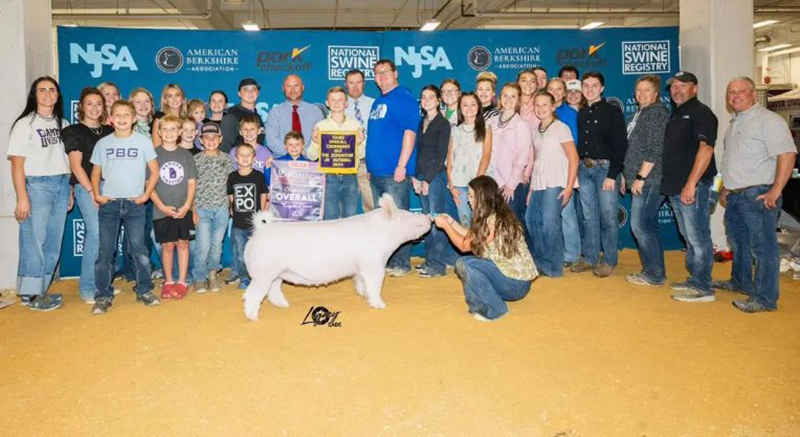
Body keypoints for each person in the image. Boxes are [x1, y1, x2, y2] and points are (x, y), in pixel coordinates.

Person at [719, 77, 797, 312]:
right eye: (731, 91)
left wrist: (776, 190)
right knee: (738, 243)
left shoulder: (768, 121)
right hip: (735, 195)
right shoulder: (735, 124)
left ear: (753, 94)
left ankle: (764, 299)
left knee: (763, 249)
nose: (735, 95)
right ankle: (740, 282)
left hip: (758, 195)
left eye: (741, 91)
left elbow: (787, 154)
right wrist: (725, 187)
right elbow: (732, 161)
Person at [90, 100, 160, 315]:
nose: (121, 118)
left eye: (126, 115)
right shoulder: (103, 143)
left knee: (139, 250)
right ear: (110, 119)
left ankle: (145, 290)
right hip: (110, 205)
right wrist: (97, 194)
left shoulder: (143, 142)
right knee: (105, 252)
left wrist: (145, 196)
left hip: (134, 205)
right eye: (117, 115)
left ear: (133, 118)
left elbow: (154, 172)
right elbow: (95, 172)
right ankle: (103, 295)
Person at [434, 176, 538, 321]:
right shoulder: (496, 215)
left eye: (471, 196)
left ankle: (496, 309)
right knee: (468, 263)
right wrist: (451, 222)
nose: (468, 199)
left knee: (465, 263)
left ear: (481, 198)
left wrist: (445, 226)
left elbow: (464, 246)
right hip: (513, 280)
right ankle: (479, 306)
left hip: (515, 285)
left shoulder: (493, 222)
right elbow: (471, 235)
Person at [7, 76, 71, 311]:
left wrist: (70, 189)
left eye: (51, 90)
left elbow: (67, 160)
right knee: (33, 240)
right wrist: (22, 196)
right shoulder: (25, 124)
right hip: (36, 186)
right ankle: (30, 294)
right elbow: (16, 164)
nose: (47, 94)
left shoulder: (62, 124)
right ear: (35, 95)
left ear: (57, 95)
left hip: (61, 183)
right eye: (42, 90)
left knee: (53, 241)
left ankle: (41, 289)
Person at [660, 71, 718, 302]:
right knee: (688, 235)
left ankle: (704, 287)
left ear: (695, 88)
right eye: (674, 86)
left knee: (698, 237)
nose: (677, 89)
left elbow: (706, 149)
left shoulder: (701, 113)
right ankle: (696, 279)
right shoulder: (677, 114)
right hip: (676, 186)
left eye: (683, 85)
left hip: (693, 187)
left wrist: (691, 184)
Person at [366, 59, 421, 277]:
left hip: (394, 172)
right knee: (385, 221)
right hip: (377, 173)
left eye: (386, 72)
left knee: (399, 219)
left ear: (395, 73)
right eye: (377, 73)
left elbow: (410, 133)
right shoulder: (378, 101)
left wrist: (402, 165)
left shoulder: (404, 98)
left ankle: (402, 262)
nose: (381, 76)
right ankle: (390, 259)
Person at [571, 72, 628, 278]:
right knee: (588, 216)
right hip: (584, 169)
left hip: (606, 169)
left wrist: (613, 175)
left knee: (608, 217)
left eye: (594, 85)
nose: (589, 89)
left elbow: (621, 145)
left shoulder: (612, 111)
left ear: (602, 88)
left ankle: (610, 260)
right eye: (586, 85)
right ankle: (590, 257)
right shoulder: (582, 113)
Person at [63, 86, 114, 304]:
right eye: (90, 104)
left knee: (108, 238)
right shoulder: (73, 131)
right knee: (95, 235)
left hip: (110, 187)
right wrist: (93, 191)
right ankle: (87, 286)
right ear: (81, 107)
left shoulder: (109, 132)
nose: (94, 108)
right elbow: (76, 166)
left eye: (99, 104)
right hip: (87, 188)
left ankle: (103, 284)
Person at [622, 75, 670, 286]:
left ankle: (654, 275)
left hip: (650, 179)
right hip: (638, 177)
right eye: (639, 90)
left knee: (640, 226)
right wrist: (627, 175)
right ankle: (654, 270)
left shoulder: (656, 114)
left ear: (656, 93)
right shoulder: (640, 113)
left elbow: (655, 148)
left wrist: (641, 177)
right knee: (648, 226)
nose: (641, 94)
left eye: (646, 90)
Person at [524, 91, 578, 278]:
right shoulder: (535, 130)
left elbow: (573, 157)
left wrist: (569, 187)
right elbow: (537, 160)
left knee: (549, 222)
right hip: (539, 182)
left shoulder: (561, 128)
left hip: (557, 181)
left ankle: (554, 267)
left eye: (545, 104)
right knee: (531, 220)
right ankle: (540, 261)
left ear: (553, 106)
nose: (540, 108)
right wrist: (531, 188)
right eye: (537, 105)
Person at [150, 115, 197, 300]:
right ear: (159, 132)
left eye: (173, 129)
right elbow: (149, 185)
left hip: (183, 209)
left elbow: (192, 183)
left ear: (179, 132)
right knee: (167, 246)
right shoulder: (153, 155)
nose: (169, 133)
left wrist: (187, 206)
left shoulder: (185, 155)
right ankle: (168, 281)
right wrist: (162, 206)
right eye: (165, 129)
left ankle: (182, 281)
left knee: (183, 244)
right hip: (162, 210)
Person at [413, 85, 455, 278]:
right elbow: (418, 152)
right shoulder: (421, 123)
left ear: (438, 100)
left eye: (431, 97)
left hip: (436, 176)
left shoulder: (443, 124)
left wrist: (428, 180)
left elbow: (441, 155)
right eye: (423, 97)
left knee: (437, 220)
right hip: (421, 176)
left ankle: (438, 264)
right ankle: (430, 260)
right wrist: (415, 176)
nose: (426, 100)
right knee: (427, 220)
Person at [308, 86, 365, 220]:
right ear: (327, 103)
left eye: (340, 100)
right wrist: (316, 142)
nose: (336, 103)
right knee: (330, 218)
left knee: (350, 217)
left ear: (346, 103)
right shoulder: (320, 126)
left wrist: (359, 142)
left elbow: (362, 155)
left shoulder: (355, 125)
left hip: (350, 176)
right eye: (333, 100)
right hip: (329, 177)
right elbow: (311, 156)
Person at [192, 122, 235, 293]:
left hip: (222, 208)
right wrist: (193, 209)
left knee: (217, 244)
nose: (210, 140)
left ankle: (212, 275)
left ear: (220, 139)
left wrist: (231, 205)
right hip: (201, 208)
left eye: (214, 137)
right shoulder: (195, 160)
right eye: (206, 138)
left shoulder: (226, 159)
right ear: (200, 140)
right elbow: (191, 187)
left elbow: (230, 185)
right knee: (203, 245)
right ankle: (199, 278)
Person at [546, 78, 581, 266]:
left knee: (567, 212)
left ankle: (573, 253)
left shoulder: (570, 113)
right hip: (548, 169)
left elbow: (573, 145)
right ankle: (558, 250)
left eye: (559, 89)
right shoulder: (545, 111)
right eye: (551, 89)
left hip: (565, 167)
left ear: (564, 92)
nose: (555, 92)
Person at [487, 82, 531, 228]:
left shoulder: (521, 124)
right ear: (500, 98)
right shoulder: (492, 122)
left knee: (513, 224)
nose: (509, 99)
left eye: (513, 96)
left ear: (518, 100)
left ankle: (524, 251)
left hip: (510, 184)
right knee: (496, 225)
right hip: (493, 182)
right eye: (505, 95)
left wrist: (511, 185)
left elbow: (523, 157)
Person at [227, 143, 268, 290]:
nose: (245, 158)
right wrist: (231, 209)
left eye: (248, 155)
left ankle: (259, 278)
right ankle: (244, 278)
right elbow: (230, 195)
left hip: (255, 224)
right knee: (240, 254)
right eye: (241, 155)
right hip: (238, 223)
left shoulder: (259, 176)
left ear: (254, 157)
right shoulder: (232, 176)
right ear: (236, 158)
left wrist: (263, 211)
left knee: (257, 253)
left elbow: (264, 193)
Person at [448, 92, 492, 226]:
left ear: (478, 107)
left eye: (473, 104)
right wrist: (451, 185)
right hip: (459, 186)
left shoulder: (486, 127)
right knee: (465, 223)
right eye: (465, 105)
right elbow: (450, 159)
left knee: (483, 224)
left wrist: (476, 184)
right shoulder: (456, 131)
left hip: (479, 184)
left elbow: (486, 155)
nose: (469, 108)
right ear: (460, 108)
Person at [266, 74, 325, 157]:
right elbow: (271, 140)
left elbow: (320, 138)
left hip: (309, 162)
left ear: (303, 87)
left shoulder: (316, 112)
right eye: (288, 86)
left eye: (296, 86)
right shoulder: (275, 112)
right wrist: (291, 154)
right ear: (283, 89)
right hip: (282, 163)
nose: (292, 90)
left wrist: (304, 155)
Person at [344, 69, 376, 212]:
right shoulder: (338, 105)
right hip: (346, 162)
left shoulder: (374, 104)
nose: (355, 86)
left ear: (364, 84)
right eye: (351, 83)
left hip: (367, 162)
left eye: (358, 82)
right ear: (346, 84)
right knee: (345, 208)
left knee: (372, 207)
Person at [220, 78, 264, 153]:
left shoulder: (257, 117)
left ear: (258, 93)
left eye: (253, 89)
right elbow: (225, 148)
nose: (250, 92)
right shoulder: (231, 117)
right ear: (239, 94)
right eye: (245, 89)